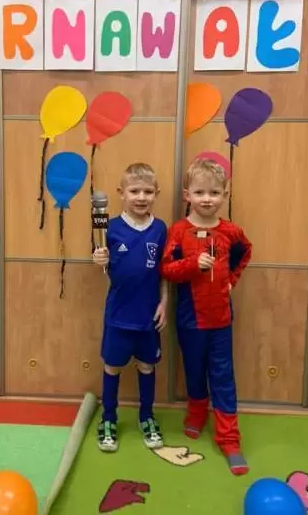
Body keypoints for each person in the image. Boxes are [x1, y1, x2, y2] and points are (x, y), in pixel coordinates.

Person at [160, 158, 252, 476]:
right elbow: (166, 269)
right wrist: (192, 265)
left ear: (225, 194)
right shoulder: (178, 231)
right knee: (194, 371)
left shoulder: (231, 232)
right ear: (187, 195)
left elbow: (244, 252)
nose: (207, 199)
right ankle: (197, 413)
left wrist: (231, 280)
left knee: (223, 377)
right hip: (190, 320)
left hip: (221, 321)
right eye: (200, 192)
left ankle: (229, 438)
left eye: (214, 192)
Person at [93, 163, 168, 452]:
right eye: (135, 191)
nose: (141, 197)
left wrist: (164, 302)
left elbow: (163, 273)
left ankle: (146, 416)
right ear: (121, 193)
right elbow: (101, 261)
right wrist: (98, 259)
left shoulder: (160, 229)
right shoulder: (109, 228)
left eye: (148, 191)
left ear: (156, 194)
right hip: (118, 316)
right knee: (112, 367)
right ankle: (109, 418)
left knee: (147, 366)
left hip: (148, 317)